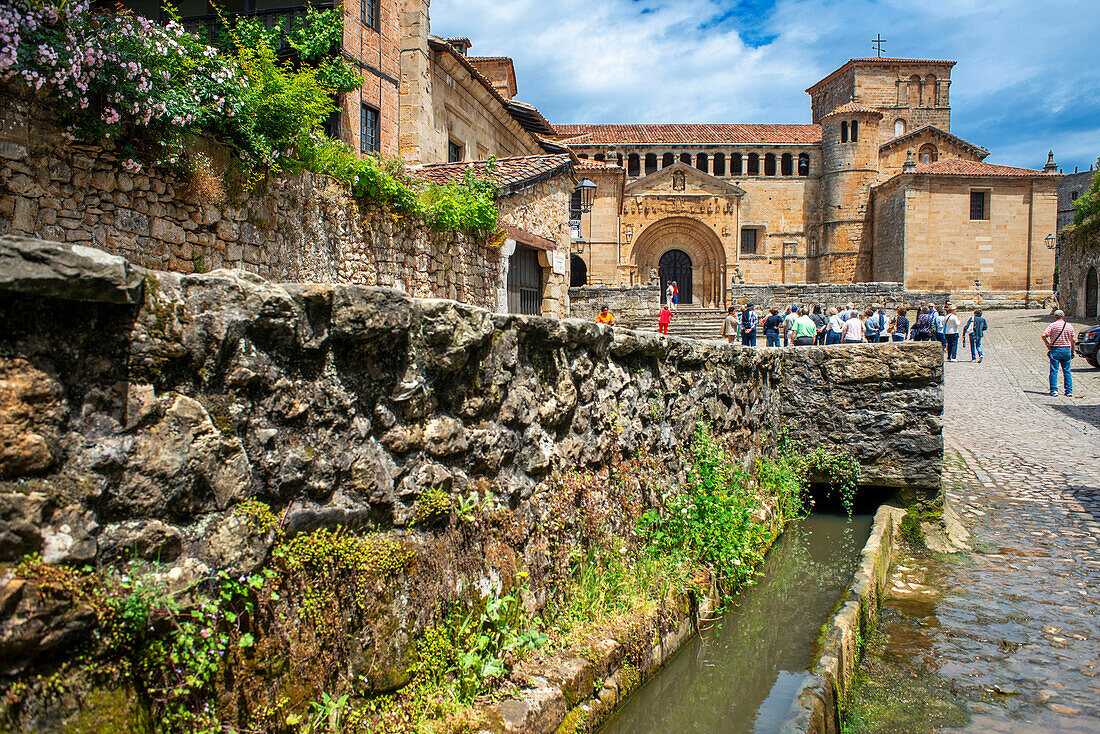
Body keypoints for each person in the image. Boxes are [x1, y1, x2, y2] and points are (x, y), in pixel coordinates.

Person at [1041, 310, 1076, 397]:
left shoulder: (1052, 325)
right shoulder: (1069, 326)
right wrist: (1072, 352)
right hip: (1066, 349)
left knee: (1054, 370)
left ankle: (1054, 390)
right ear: (1063, 316)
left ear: (1054, 317)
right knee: (1067, 370)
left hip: (1056, 349)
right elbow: (1073, 340)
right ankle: (1068, 391)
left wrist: (1047, 344)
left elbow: (1043, 335)